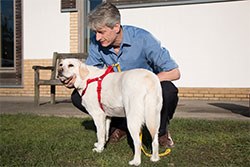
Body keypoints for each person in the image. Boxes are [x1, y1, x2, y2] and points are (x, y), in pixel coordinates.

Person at [69, 2, 180, 148]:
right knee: (78, 96)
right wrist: (74, 80)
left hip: (144, 91)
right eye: (95, 32)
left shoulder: (143, 39)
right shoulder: (96, 45)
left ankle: (161, 132)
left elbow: (174, 72)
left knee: (168, 90)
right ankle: (122, 125)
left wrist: (143, 82)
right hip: (116, 92)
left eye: (101, 32)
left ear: (116, 27)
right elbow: (90, 76)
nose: (97, 38)